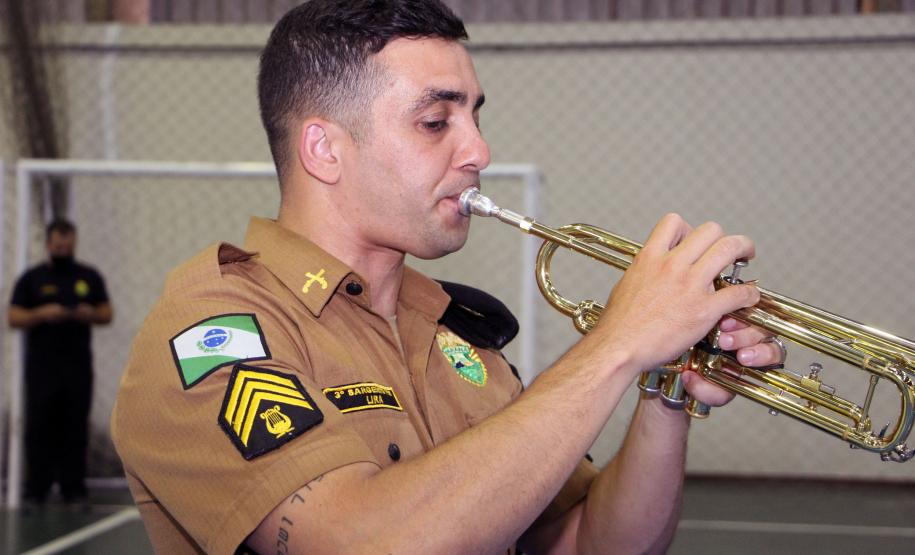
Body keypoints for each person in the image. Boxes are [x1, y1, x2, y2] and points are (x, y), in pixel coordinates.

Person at [111, 1, 785, 553]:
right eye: (435, 121)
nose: (479, 151)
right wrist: (615, 341)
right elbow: (357, 543)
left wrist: (666, 389)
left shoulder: (456, 335)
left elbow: (586, 542)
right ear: (323, 149)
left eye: (474, 113)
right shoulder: (216, 330)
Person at [9, 219, 113, 506]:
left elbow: (106, 313)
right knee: (39, 425)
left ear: (74, 242)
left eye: (67, 243)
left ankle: (73, 488)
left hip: (77, 367)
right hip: (42, 368)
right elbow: (14, 316)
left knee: (75, 425)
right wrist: (42, 314)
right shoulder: (32, 279)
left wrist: (87, 313)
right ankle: (37, 487)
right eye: (57, 243)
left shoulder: (88, 276)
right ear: (49, 244)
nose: (62, 247)